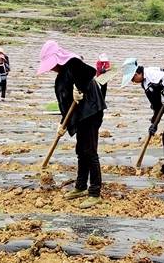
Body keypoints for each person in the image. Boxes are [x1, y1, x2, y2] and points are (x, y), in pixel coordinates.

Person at [38, 40, 106, 209]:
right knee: (81, 151)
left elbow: (89, 72)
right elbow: (66, 104)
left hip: (91, 112)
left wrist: (80, 88)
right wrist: (62, 124)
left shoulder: (73, 63)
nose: (51, 68)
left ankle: (95, 192)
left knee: (90, 151)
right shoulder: (61, 76)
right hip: (81, 115)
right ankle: (80, 186)